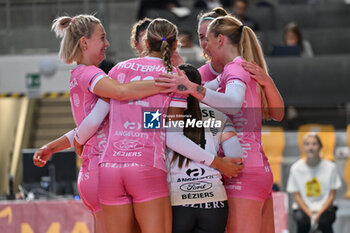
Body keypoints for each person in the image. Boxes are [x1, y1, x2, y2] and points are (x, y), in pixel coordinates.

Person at [71, 18, 243, 233]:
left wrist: (77, 140)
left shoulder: (117, 70)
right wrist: (217, 162)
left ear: (144, 43)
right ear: (173, 46)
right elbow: (172, 137)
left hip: (110, 168)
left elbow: (95, 119)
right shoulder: (175, 79)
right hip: (145, 167)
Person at [34, 14, 179, 233]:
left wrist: (54, 146)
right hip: (107, 169)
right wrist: (170, 83)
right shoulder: (93, 74)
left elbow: (90, 122)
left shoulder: (81, 74)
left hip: (96, 172)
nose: (107, 44)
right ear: (84, 42)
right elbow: (120, 94)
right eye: (102, 38)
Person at [156, 15, 285, 233]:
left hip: (237, 172)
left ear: (220, 39)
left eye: (207, 38)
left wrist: (189, 87)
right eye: (201, 38)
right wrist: (184, 75)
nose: (204, 46)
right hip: (254, 169)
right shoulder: (234, 69)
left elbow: (231, 105)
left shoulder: (235, 69)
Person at [168, 63, 243, 233]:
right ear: (200, 86)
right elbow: (237, 159)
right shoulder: (220, 116)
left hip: (176, 202)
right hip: (214, 202)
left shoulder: (160, 115)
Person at [287, 133, 341, 233]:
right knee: (303, 222)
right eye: (307, 144)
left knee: (324, 222)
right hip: (304, 209)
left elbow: (332, 195)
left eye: (314, 144)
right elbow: (297, 195)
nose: (310, 147)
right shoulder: (296, 168)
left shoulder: (331, 167)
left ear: (320, 147)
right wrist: (310, 215)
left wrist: (319, 214)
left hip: (325, 209)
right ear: (303, 147)